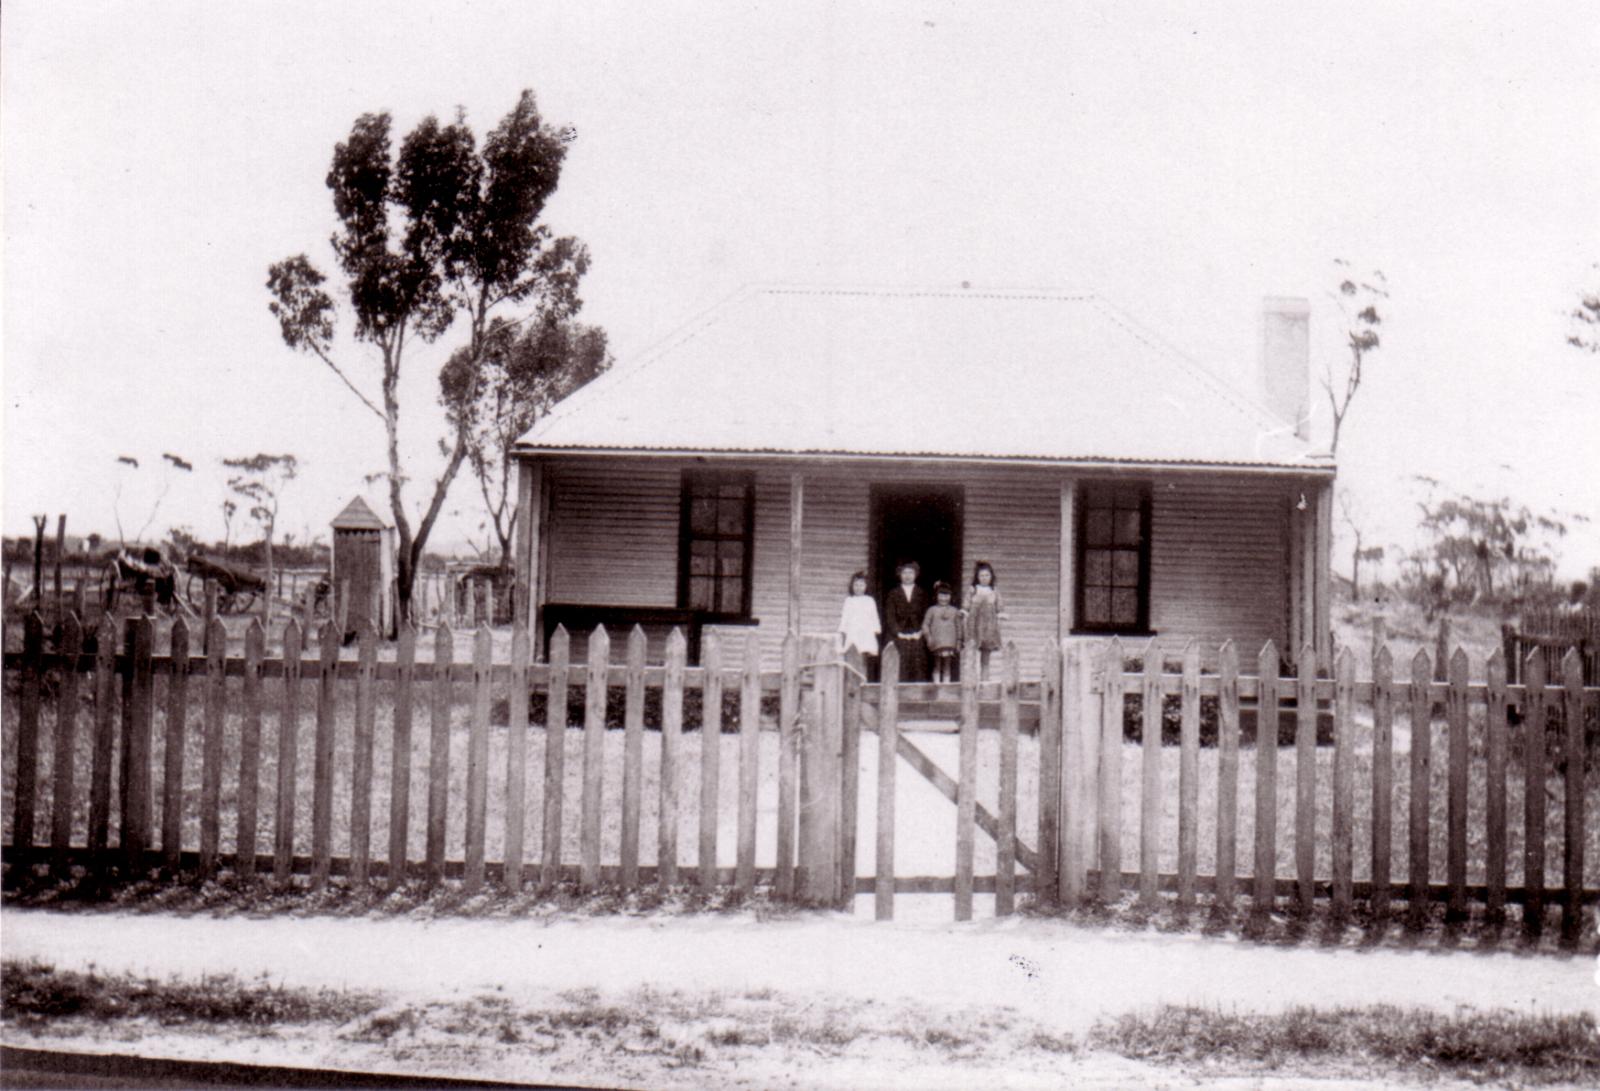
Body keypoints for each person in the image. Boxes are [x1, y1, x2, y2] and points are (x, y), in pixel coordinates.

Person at [883, 560, 929, 682]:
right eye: (904, 573)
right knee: (898, 659)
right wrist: (898, 633)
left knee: (919, 660)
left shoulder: (922, 593)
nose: (907, 576)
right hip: (899, 633)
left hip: (917, 632)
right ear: (899, 575)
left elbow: (926, 615)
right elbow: (890, 616)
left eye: (911, 573)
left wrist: (920, 632)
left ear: (916, 575)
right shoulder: (893, 593)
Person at [964, 560, 1007, 681]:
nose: (984, 578)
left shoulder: (994, 591)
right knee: (971, 654)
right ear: (977, 577)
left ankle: (985, 682)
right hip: (974, 625)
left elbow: (1000, 607)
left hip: (989, 626)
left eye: (987, 575)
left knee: (985, 658)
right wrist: (965, 612)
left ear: (991, 576)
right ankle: (971, 681)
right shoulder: (973, 590)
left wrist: (1000, 615)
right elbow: (966, 605)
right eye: (981, 575)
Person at [837, 570, 882, 674]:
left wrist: (875, 631)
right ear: (852, 586)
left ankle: (864, 678)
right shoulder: (849, 601)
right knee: (853, 656)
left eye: (861, 585)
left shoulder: (869, 600)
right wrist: (842, 630)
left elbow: (874, 617)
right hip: (853, 631)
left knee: (864, 658)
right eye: (856, 585)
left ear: (866, 586)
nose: (858, 588)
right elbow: (845, 617)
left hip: (865, 632)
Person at [921, 581, 964, 683]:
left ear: (950, 596)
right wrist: (928, 637)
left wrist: (958, 641)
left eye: (946, 596)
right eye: (941, 596)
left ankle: (946, 685)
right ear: (936, 596)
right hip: (936, 643)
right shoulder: (931, 610)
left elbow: (959, 627)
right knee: (936, 664)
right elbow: (925, 625)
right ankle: (936, 685)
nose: (943, 599)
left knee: (947, 665)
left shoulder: (954, 611)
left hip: (950, 643)